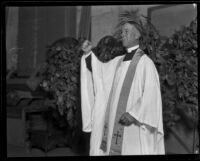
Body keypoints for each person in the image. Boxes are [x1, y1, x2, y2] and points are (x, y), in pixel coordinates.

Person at [81, 20, 165, 155]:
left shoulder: (146, 63)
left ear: (137, 36)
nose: (122, 35)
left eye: (126, 31)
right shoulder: (118, 61)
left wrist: (134, 113)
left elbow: (152, 94)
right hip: (114, 121)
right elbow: (100, 74)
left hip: (133, 125)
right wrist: (88, 54)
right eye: (122, 32)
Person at [80, 36, 125, 155]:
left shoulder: (121, 61)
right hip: (106, 109)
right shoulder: (107, 64)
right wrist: (88, 53)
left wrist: (89, 54)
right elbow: (93, 67)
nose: (107, 55)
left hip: (114, 109)